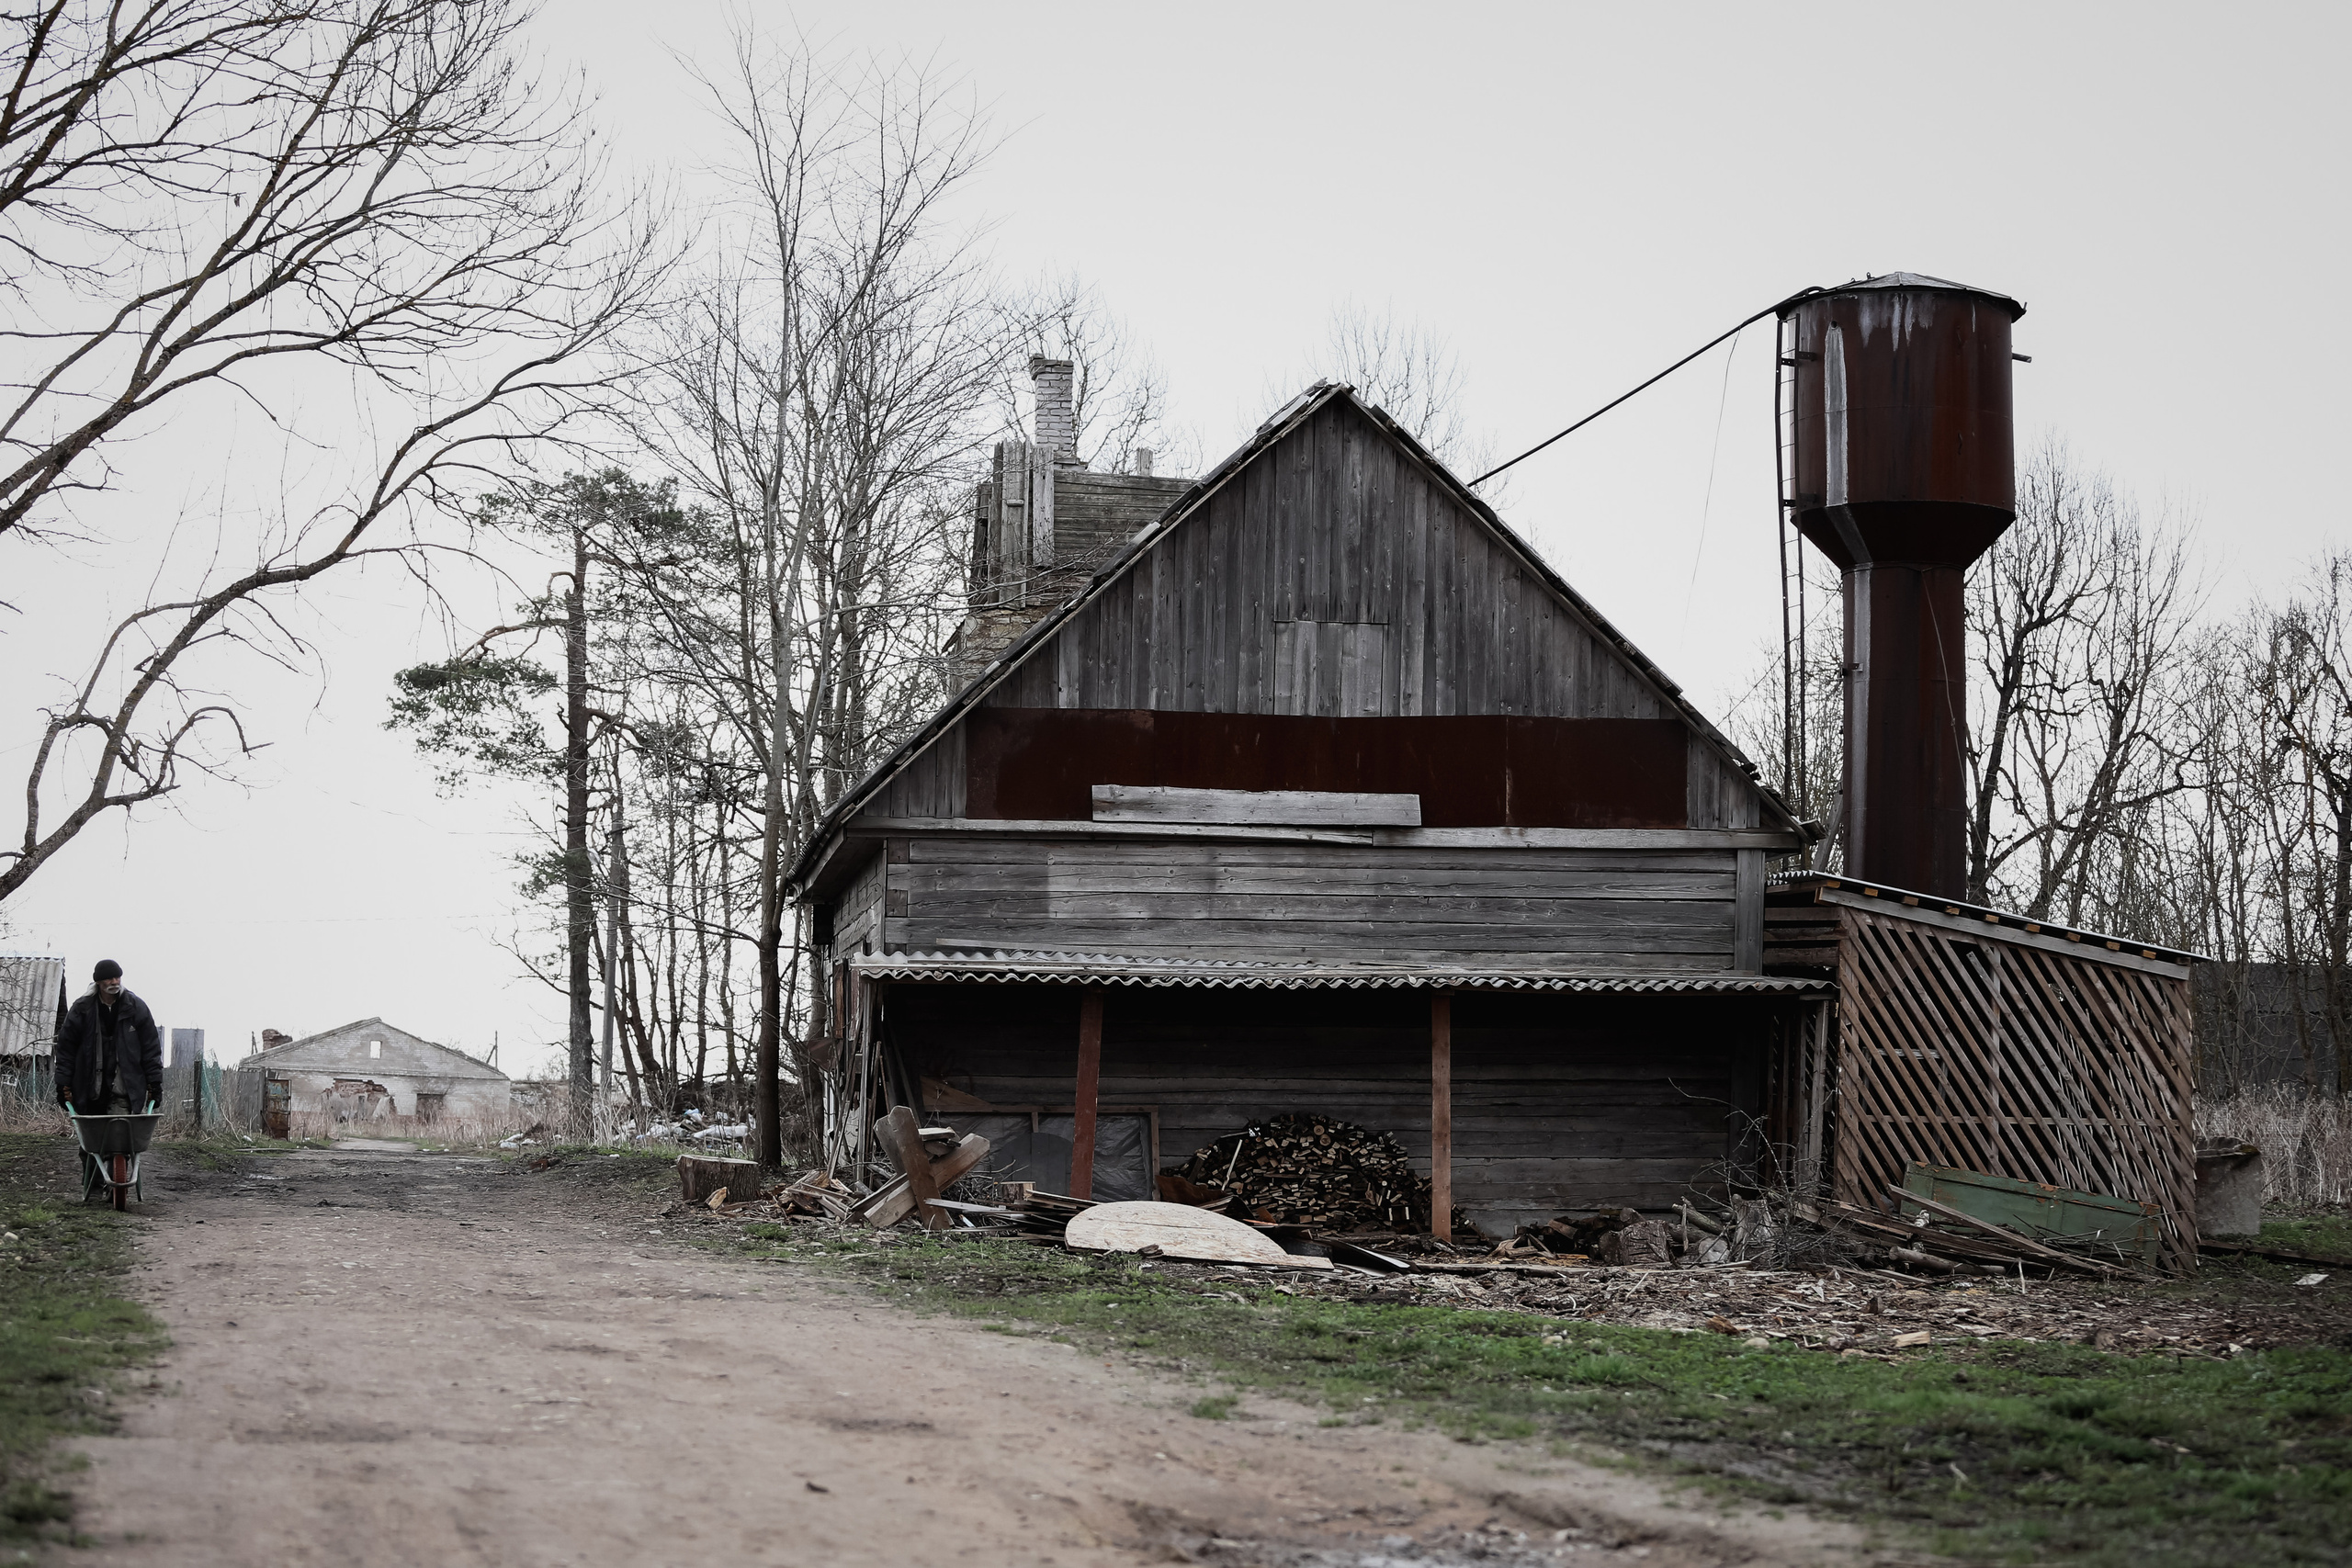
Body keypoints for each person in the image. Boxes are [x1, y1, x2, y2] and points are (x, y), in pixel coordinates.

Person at [56, 959, 163, 1118]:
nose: (114, 982)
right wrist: (63, 1084)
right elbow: (66, 1050)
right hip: (90, 1091)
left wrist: (154, 1083)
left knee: (120, 1131)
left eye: (117, 977)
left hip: (123, 1090)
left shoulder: (135, 1008)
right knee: (93, 1132)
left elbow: (150, 1048)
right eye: (109, 978)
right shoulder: (82, 1010)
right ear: (98, 982)